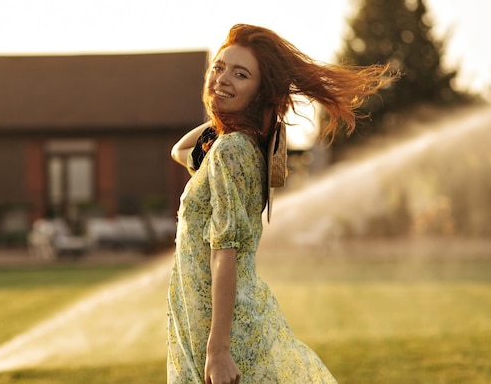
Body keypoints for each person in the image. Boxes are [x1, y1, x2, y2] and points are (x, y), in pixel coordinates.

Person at [167, 24, 395, 384]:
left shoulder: (231, 152)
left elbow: (224, 250)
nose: (222, 79)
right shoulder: (231, 148)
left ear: (261, 92)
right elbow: (180, 151)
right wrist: (217, 119)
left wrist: (218, 350)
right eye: (219, 67)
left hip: (221, 330)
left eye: (240, 74)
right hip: (209, 319)